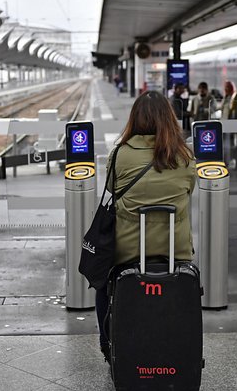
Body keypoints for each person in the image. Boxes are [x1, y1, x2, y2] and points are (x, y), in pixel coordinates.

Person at [96, 90, 196, 362]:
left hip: (127, 251)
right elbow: (188, 192)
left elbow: (111, 192)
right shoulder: (185, 157)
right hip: (174, 250)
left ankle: (108, 346)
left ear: (135, 119)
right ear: (169, 119)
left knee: (103, 285)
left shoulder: (119, 155)